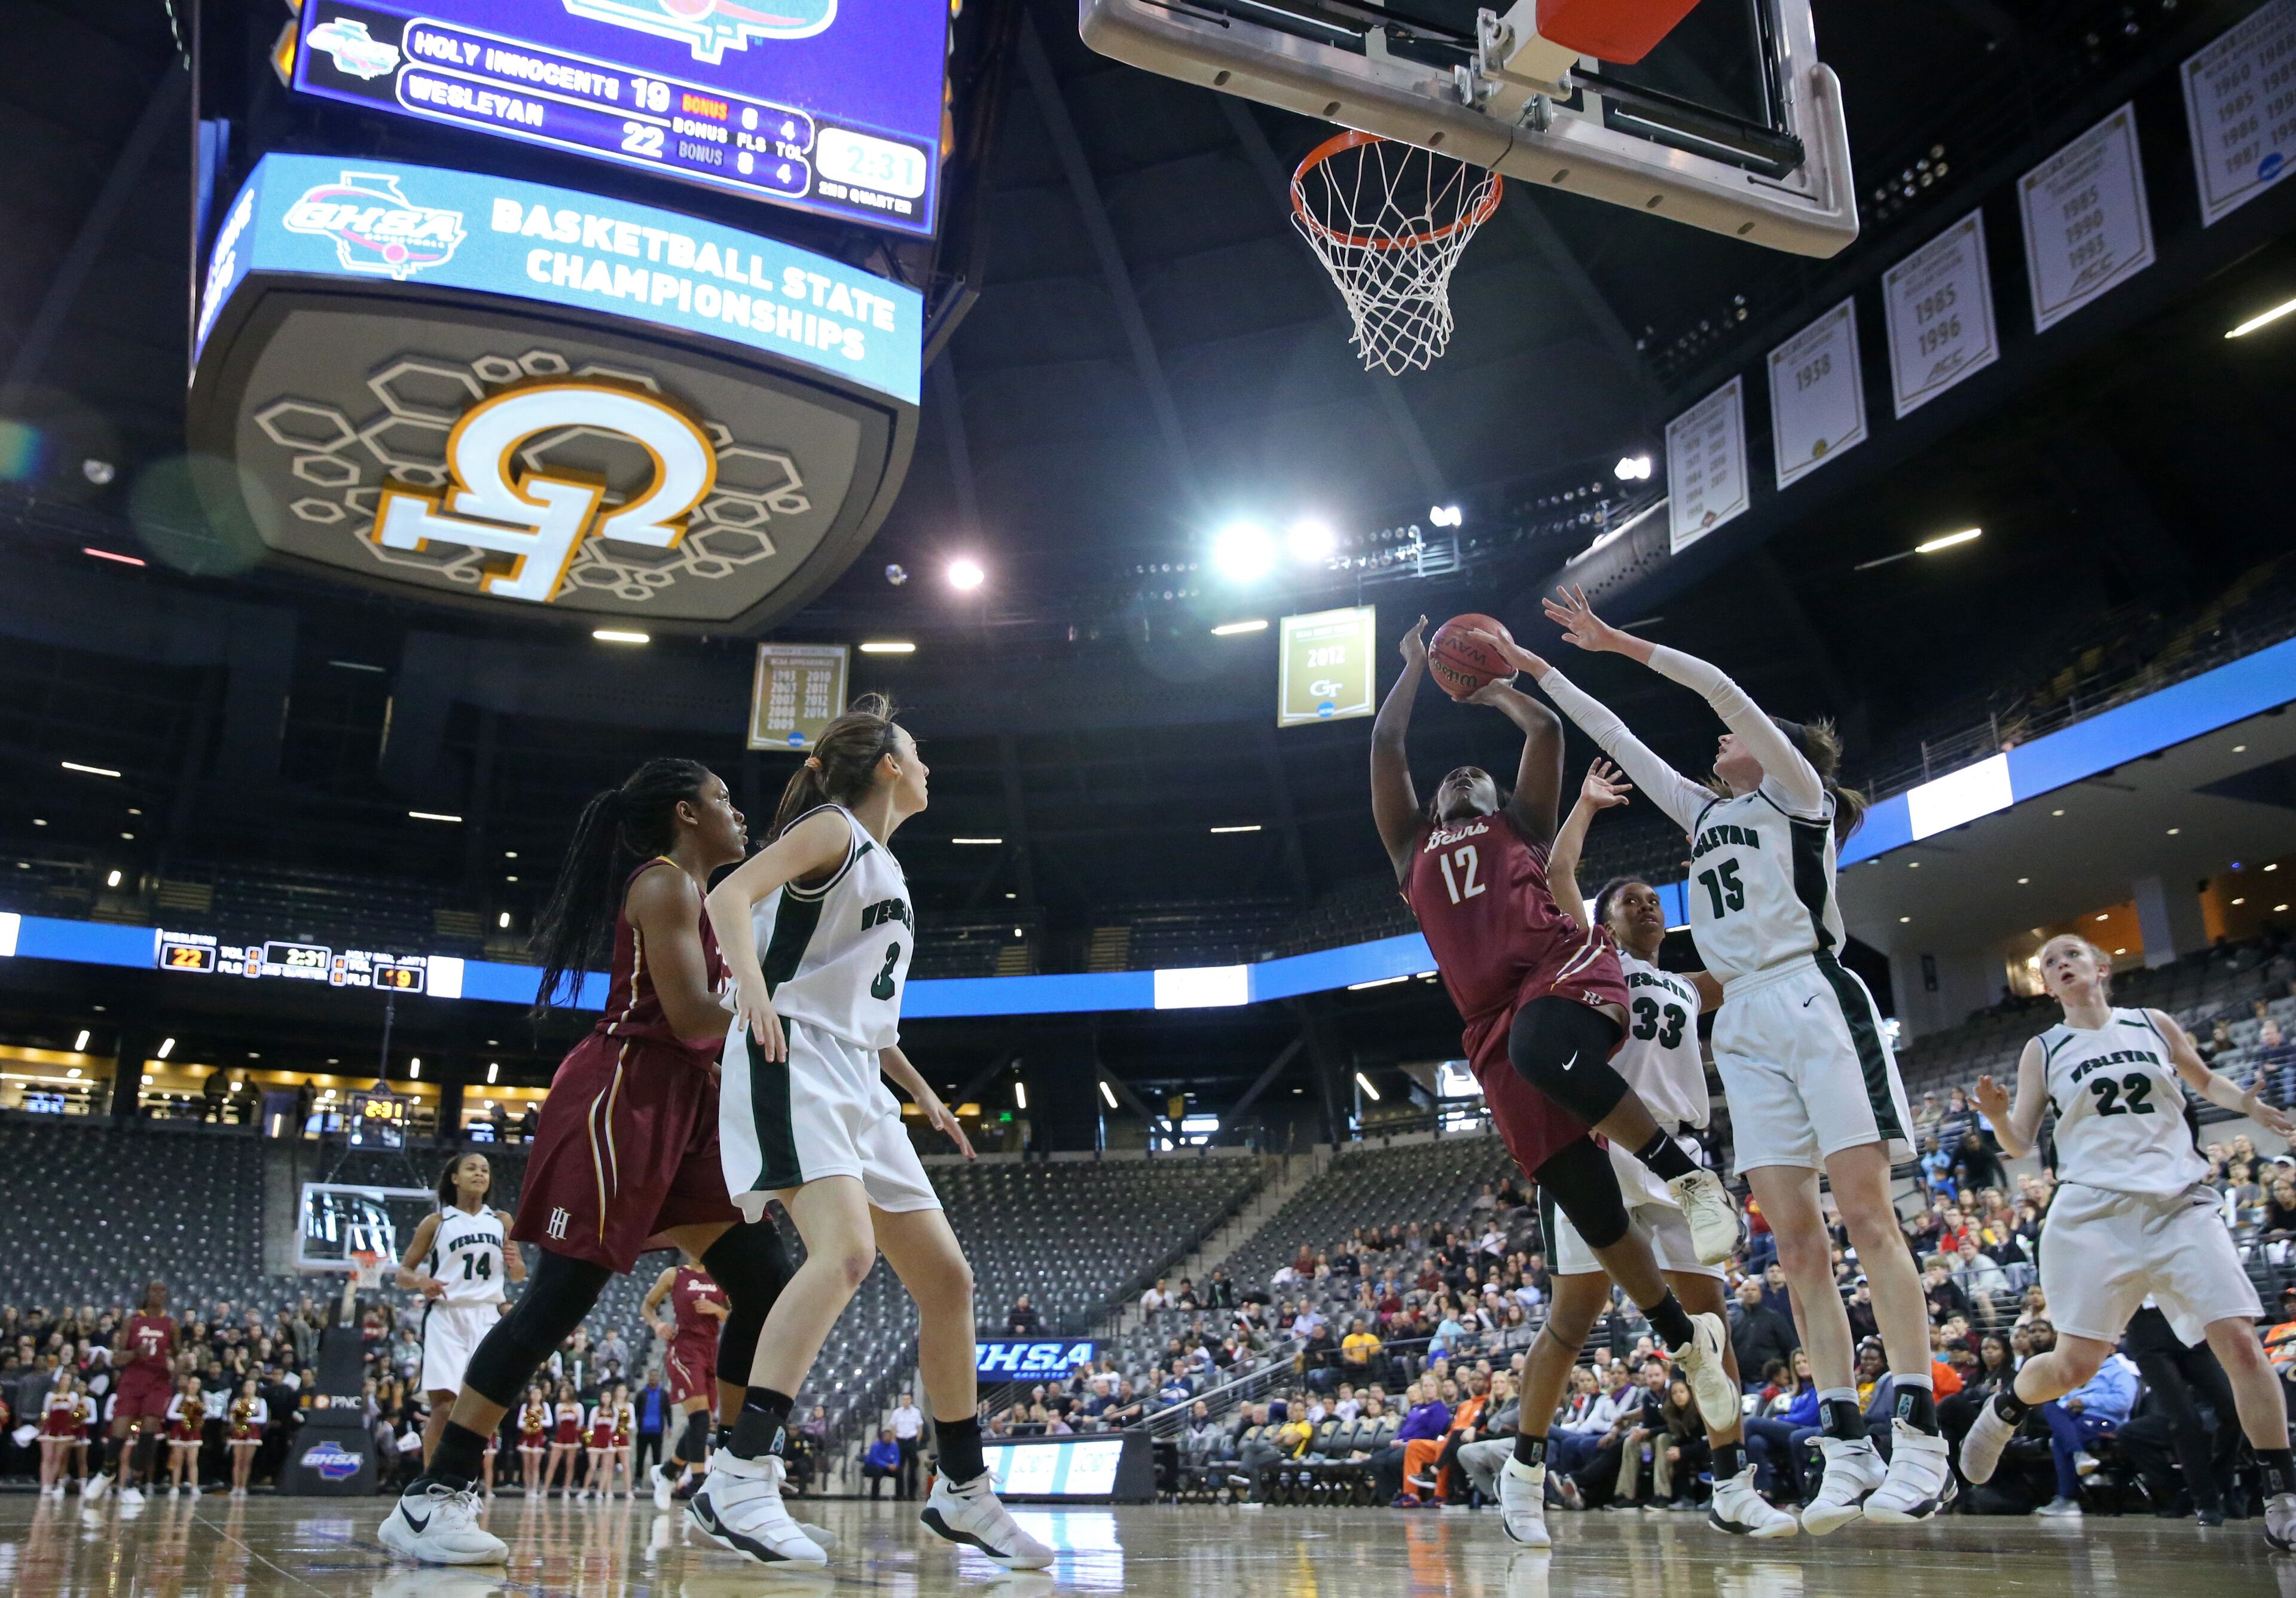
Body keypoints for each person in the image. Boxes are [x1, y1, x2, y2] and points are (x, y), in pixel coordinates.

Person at [1480, 589, 1949, 1531]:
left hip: (1812, 994)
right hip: (1746, 1028)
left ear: (1771, 749)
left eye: (1733, 740)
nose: (1715, 748)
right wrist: (1543, 674)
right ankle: (1848, 1443)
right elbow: (1616, 733)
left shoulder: (1797, 796)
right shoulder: (1703, 814)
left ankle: (1923, 1438)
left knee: (1864, 1214)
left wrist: (1618, 642)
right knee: (1800, 1242)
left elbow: (1722, 692)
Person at [1369, 617, 1742, 1550]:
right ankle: (1679, 1338)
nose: (1461, 777)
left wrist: (1488, 683)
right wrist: (1415, 670)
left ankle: (1685, 1170)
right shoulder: (1409, 841)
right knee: (1580, 1196)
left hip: (1563, 974)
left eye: (1473, 776)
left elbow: (1544, 735)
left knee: (1546, 1049)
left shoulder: (1520, 827)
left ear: (1495, 797)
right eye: (1451, 777)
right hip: (1491, 1026)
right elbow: (1383, 743)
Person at [380, 759, 802, 1565]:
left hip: (684, 1107)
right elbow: (687, 1017)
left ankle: (739, 1480)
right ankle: (432, 1497)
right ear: (686, 813)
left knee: (768, 1282)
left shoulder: (708, 896)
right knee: (555, 1303)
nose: (737, 811)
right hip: (622, 1102)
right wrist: (792, 1022)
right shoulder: (665, 883)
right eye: (721, 799)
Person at [695, 696, 1050, 1570]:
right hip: (793, 1057)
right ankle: (738, 1474)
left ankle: (963, 1489)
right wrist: (748, 985)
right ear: (889, 765)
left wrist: (924, 1093)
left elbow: (870, 1016)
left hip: (857, 1073)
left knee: (948, 1280)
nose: (928, 764)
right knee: (845, 1254)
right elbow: (728, 892)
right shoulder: (832, 830)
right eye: (917, 752)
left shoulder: (884, 864)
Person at [1520, 760, 1797, 1538]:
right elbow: (1560, 870)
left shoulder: (1689, 983)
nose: (1644, 905)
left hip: (1675, 1156)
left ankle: (1732, 1482)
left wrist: (1728, 860)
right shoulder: (1591, 960)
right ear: (1604, 921)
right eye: (1629, 900)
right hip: (1603, 1149)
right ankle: (1525, 1467)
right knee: (1572, 1320)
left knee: (1709, 1320)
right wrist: (1584, 804)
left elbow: (1762, 954)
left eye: (1652, 900)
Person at [1959, 933, 2296, 1551]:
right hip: (2092, 1217)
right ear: (2048, 985)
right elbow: (2019, 1145)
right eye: (2049, 964)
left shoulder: (2151, 1022)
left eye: (2071, 955)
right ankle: (2008, 1403)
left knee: (2243, 1344)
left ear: (2101, 967)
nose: (2060, 965)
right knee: (2073, 1366)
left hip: (2179, 1206)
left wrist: (2250, 1104)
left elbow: (2203, 1079)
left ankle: (2283, 1495)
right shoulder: (2046, 1046)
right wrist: (1998, 1114)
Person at [397, 1153, 525, 1469]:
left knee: (482, 1410)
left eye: (485, 1169)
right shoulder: (437, 1223)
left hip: (487, 1316)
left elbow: (519, 1274)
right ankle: (428, 1486)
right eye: (471, 1168)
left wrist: (515, 1262)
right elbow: (403, 1273)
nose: (480, 1174)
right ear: (455, 1178)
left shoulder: (502, 1220)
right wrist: (421, 1281)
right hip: (447, 1315)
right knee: (443, 1408)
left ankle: (463, 1481)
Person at [643, 1251, 729, 1507]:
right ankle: (699, 1483)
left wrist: (717, 1310)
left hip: (712, 1351)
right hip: (684, 1349)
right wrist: (657, 1325)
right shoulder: (674, 1274)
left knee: (701, 1423)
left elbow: (738, 1317)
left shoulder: (721, 1276)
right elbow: (647, 1306)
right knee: (700, 1418)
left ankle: (668, 1472)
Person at [84, 1280, 176, 1506]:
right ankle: (107, 1472)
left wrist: (180, 1365)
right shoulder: (131, 1321)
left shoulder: (172, 1324)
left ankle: (133, 1482)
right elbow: (116, 1358)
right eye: (154, 1289)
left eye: (163, 1290)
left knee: (150, 1430)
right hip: (132, 1381)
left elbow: (177, 1354)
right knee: (120, 1430)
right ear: (147, 1293)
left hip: (158, 1382)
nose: (158, 1293)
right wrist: (136, 1353)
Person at [164, 1374, 206, 1496]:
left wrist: (197, 1419)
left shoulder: (200, 1399)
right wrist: (186, 1416)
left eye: (197, 1384)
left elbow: (204, 1415)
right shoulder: (180, 1397)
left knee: (193, 1461)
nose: (195, 1386)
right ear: (188, 1384)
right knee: (178, 1461)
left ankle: (194, 1486)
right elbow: (170, 1414)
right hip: (179, 1431)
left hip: (194, 1432)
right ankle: (175, 1487)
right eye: (193, 1383)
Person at [225, 1376, 267, 1498]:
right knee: (237, 1461)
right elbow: (231, 1417)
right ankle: (235, 1486)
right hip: (239, 1432)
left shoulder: (260, 1401)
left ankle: (243, 1487)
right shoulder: (238, 1401)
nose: (249, 1388)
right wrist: (239, 1420)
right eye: (247, 1386)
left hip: (253, 1432)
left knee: (247, 1462)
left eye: (252, 1386)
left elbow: (263, 1418)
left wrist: (247, 1419)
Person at [546, 1379, 584, 1498]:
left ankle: (567, 1489)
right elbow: (558, 1422)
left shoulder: (578, 1406)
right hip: (561, 1435)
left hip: (573, 1436)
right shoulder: (558, 1406)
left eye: (563, 1392)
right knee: (552, 1463)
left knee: (570, 1464)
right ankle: (545, 1489)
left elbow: (580, 1423)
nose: (561, 1394)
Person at [889, 1390, 925, 1501]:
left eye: (908, 1399)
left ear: (911, 1400)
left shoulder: (916, 1412)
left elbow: (920, 1428)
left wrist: (916, 1441)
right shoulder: (897, 1412)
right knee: (899, 1468)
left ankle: (911, 1494)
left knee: (913, 1469)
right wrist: (895, 1442)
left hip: (912, 1441)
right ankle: (899, 1494)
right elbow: (893, 1428)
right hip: (900, 1441)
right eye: (904, 1399)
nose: (906, 1401)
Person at [517, 1386, 549, 1498]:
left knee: (536, 1465)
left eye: (538, 1394)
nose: (536, 1396)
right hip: (527, 1437)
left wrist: (538, 1421)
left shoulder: (545, 1406)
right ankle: (527, 1489)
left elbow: (550, 1422)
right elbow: (519, 1423)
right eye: (534, 1394)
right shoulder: (526, 1407)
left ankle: (534, 1489)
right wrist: (528, 1424)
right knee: (526, 1465)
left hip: (538, 1438)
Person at [862, 1428, 902, 1498]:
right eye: (886, 1436)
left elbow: (897, 1458)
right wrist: (887, 1465)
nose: (888, 1438)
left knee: (899, 1471)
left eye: (890, 1436)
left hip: (888, 1467)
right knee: (878, 1471)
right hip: (872, 1466)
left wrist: (895, 1465)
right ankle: (875, 1495)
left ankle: (899, 1496)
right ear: (882, 1437)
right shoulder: (875, 1446)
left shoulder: (895, 1446)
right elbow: (875, 1460)